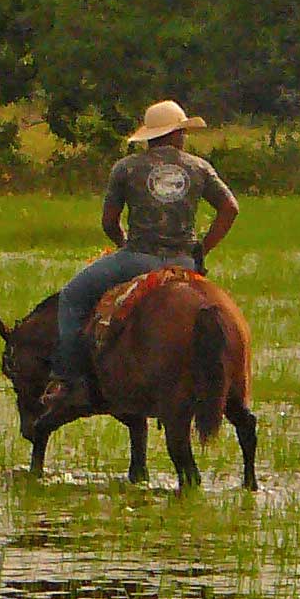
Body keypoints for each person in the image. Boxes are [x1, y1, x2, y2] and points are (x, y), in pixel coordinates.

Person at [36, 99, 239, 428]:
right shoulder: (200, 168)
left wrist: (123, 244)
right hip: (183, 260)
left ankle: (69, 378)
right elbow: (230, 208)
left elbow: (108, 221)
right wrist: (202, 248)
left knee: (73, 296)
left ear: (151, 136)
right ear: (176, 135)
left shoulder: (127, 168)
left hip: (136, 258)